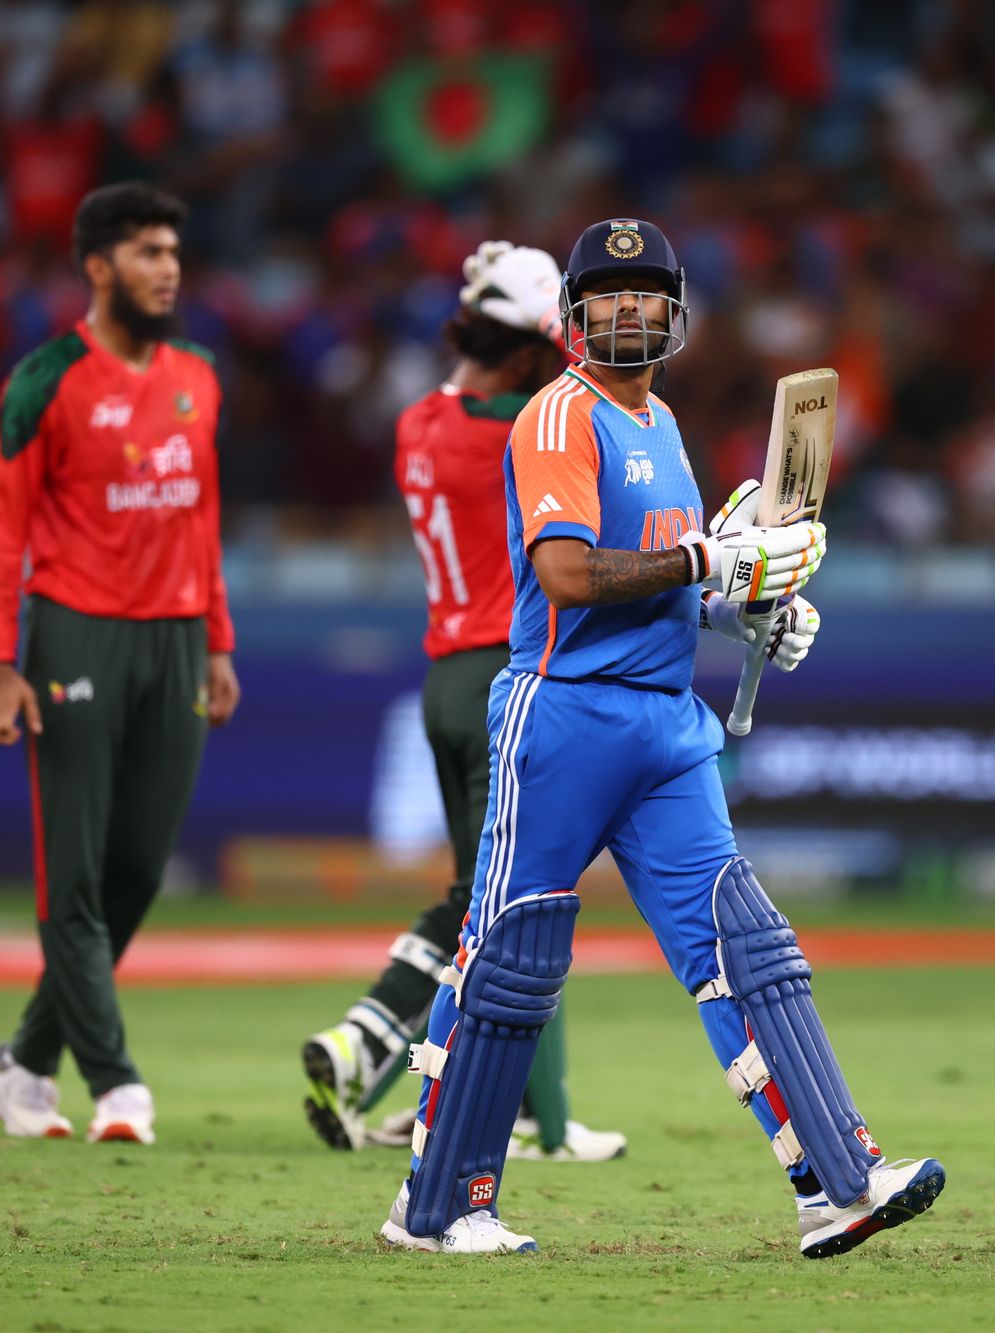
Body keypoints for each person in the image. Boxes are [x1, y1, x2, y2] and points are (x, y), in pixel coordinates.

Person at [377, 217, 946, 1257]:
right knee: (506, 963)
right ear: (571, 317)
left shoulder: (662, 426)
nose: (627, 308)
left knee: (749, 947)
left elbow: (671, 575)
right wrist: (708, 569)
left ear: (673, 311)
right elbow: (566, 576)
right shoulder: (558, 417)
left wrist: (747, 609)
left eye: (645, 292)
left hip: (664, 727)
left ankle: (837, 1181)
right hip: (562, 713)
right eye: (606, 292)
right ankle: (438, 1208)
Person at [300, 241, 626, 1165]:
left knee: (480, 892)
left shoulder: (417, 425)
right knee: (523, 896)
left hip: (440, 676)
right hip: (506, 677)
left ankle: (417, 1068)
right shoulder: (522, 427)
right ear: (527, 349)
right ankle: (525, 1118)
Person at [0, 182, 240, 1146]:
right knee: (73, 876)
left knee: (135, 870)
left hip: (174, 642)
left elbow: (201, 514)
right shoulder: (43, 378)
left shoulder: (199, 375)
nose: (168, 267)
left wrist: (216, 638)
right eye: (146, 252)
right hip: (74, 633)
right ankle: (116, 1082)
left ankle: (20, 1065)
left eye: (173, 250)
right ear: (97, 267)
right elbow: (0, 527)